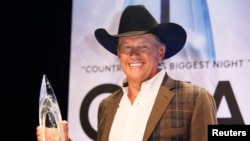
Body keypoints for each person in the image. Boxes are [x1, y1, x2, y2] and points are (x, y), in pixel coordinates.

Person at [36, 4, 218, 141]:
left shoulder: (195, 99)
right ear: (119, 54)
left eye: (143, 46)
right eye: (127, 47)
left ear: (160, 52)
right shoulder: (107, 105)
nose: (133, 54)